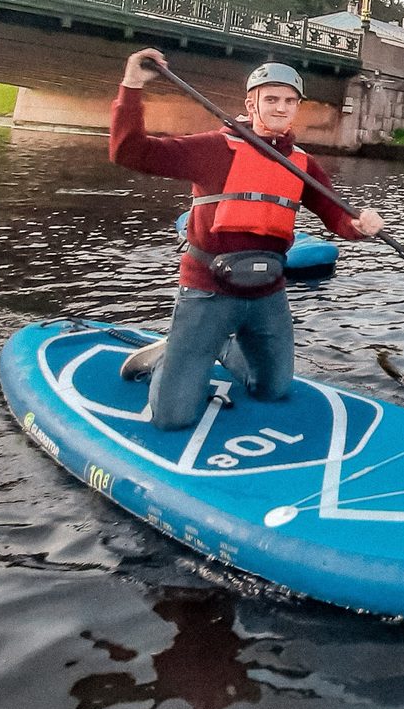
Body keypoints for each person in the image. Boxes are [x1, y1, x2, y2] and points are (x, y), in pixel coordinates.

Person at [110, 49, 383, 431]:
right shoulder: (213, 148)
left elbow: (335, 213)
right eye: (271, 99)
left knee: (272, 389)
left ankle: (219, 346)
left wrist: (359, 226)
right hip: (208, 291)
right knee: (172, 419)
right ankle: (179, 353)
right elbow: (129, 152)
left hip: (267, 292)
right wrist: (132, 85)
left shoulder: (301, 163)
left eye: (290, 101)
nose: (281, 108)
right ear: (250, 103)